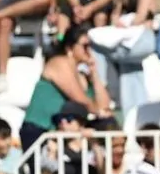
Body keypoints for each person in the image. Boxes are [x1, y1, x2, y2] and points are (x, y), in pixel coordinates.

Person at [89, 0, 159, 114]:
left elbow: (142, 14)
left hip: (142, 38)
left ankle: (100, 89)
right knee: (130, 74)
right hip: (126, 37)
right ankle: (133, 113)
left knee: (97, 49)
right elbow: (115, 14)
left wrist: (126, 24)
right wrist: (117, 23)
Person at [20, 24, 112, 152]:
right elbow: (82, 101)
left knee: (108, 123)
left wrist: (94, 72)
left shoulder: (82, 76)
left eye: (91, 46)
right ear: (70, 48)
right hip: (40, 130)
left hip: (63, 134)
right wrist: (98, 111)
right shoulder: (59, 63)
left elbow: (105, 107)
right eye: (85, 46)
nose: (89, 51)